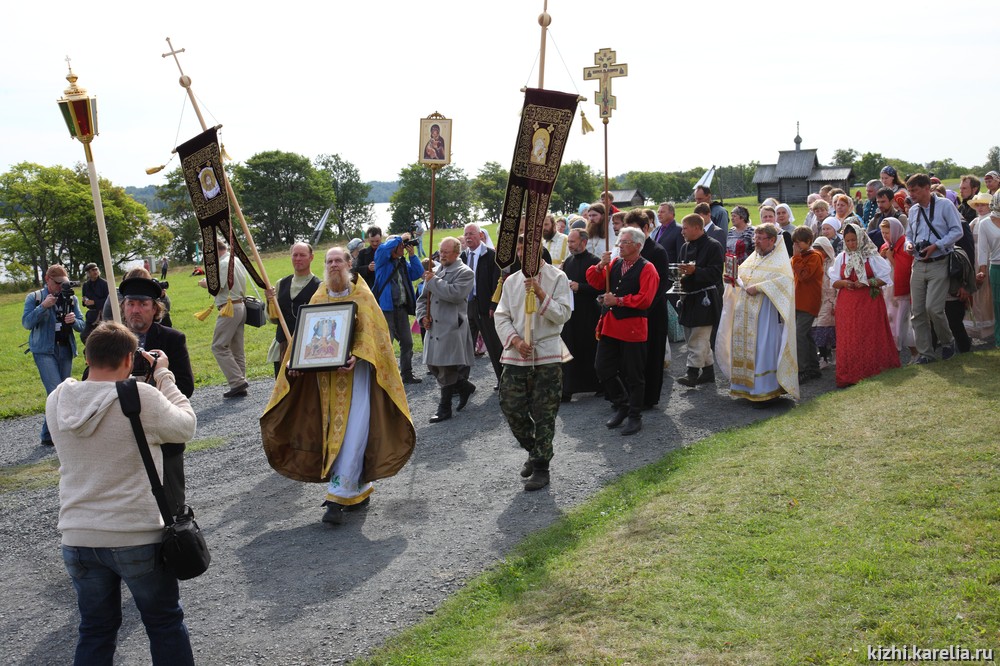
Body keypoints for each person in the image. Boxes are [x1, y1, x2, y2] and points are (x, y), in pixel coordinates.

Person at [48, 321, 197, 665]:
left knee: (95, 630)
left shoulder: (57, 399)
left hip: (78, 535)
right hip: (135, 532)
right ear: (130, 360)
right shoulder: (140, 396)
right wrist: (163, 376)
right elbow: (185, 425)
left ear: (86, 355)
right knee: (164, 624)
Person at [261, 247, 416, 524]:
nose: (333, 265)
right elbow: (306, 334)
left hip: (356, 376)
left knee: (354, 429)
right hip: (325, 379)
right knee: (331, 429)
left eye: (338, 261)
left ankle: (336, 496)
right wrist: (294, 363)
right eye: (329, 261)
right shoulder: (320, 294)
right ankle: (359, 488)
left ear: (349, 264)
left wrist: (356, 355)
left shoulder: (363, 295)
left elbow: (374, 335)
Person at [494, 235, 572, 491]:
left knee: (544, 412)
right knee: (511, 407)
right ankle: (535, 450)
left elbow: (563, 315)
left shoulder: (557, 278)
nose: (520, 253)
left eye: (525, 249)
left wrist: (540, 293)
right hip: (517, 354)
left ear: (537, 251)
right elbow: (502, 316)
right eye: (517, 249)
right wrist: (515, 340)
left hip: (547, 353)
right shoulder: (511, 281)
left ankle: (541, 468)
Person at [117, 276, 195, 515]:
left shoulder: (172, 339)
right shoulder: (112, 339)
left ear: (155, 308)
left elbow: (185, 385)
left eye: (142, 304)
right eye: (130, 304)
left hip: (164, 434)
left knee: (172, 506)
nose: (135, 310)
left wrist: (157, 377)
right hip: (123, 435)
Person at [586, 227, 660, 435]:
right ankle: (622, 404)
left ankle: (635, 415)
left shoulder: (648, 268)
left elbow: (645, 299)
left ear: (637, 245)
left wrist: (618, 300)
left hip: (633, 327)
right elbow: (595, 281)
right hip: (611, 325)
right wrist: (601, 265)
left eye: (625, 242)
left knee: (633, 374)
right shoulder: (615, 263)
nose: (620, 245)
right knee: (602, 367)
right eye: (620, 241)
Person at [716, 223, 799, 403]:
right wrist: (731, 280)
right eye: (755, 238)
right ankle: (744, 388)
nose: (757, 242)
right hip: (745, 314)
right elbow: (740, 278)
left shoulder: (780, 262)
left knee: (762, 349)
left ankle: (765, 392)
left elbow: (785, 282)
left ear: (772, 240)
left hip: (766, 317)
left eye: (761, 239)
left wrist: (761, 288)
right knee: (746, 348)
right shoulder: (753, 259)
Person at [22, 264, 86, 446]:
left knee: (62, 392)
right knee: (55, 392)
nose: (60, 287)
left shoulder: (71, 299)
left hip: (65, 348)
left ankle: (47, 435)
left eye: (63, 283)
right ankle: (59, 436)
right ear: (47, 280)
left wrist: (74, 321)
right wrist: (43, 307)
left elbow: (82, 326)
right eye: (57, 283)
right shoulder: (34, 298)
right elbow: (26, 323)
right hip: (44, 351)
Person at [829, 223, 900, 386]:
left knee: (867, 334)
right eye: (847, 241)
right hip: (847, 303)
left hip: (868, 302)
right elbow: (833, 281)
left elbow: (885, 278)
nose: (851, 244)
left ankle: (870, 370)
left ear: (860, 239)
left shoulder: (871, 256)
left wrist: (867, 282)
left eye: (854, 240)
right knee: (849, 336)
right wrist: (844, 283)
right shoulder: (842, 258)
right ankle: (849, 373)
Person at [905, 173, 964, 364]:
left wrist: (937, 245)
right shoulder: (913, 210)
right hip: (918, 263)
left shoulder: (945, 205)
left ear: (926, 188)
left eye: (914, 190)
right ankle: (926, 353)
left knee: (933, 308)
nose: (911, 194)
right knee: (918, 312)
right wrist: (909, 245)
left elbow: (957, 231)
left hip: (939, 261)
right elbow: (908, 235)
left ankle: (948, 342)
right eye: (909, 190)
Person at [417, 237, 476, 423]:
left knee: (445, 367)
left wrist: (434, 281)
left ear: (457, 253)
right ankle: (464, 386)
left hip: (451, 326)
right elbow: (422, 300)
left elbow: (455, 295)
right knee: (432, 364)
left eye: (446, 252)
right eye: (440, 251)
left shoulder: (464, 272)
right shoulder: (433, 272)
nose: (441, 255)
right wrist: (422, 317)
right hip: (434, 327)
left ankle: (444, 408)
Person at [626, 209, 671, 407]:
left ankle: (649, 397)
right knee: (632, 358)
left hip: (652, 312)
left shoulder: (657, 251)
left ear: (646, 228)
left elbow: (662, 285)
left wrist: (643, 306)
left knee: (652, 354)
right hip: (631, 312)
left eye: (635, 230)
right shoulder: (628, 252)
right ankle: (632, 395)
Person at [675, 214, 724, 387]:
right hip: (689, 298)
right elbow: (682, 272)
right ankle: (709, 372)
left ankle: (692, 373)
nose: (682, 232)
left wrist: (695, 271)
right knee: (694, 336)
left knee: (698, 337)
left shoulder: (713, 246)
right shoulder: (684, 247)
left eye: (685, 228)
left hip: (706, 299)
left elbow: (716, 274)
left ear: (697, 228)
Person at [198, 239, 249, 397]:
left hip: (228, 307)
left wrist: (204, 283)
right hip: (240, 304)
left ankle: (237, 381)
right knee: (236, 348)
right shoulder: (235, 260)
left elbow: (217, 286)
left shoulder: (223, 263)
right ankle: (240, 381)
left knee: (218, 346)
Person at [265, 242, 322, 377]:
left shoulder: (319, 287)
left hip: (308, 348)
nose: (298, 258)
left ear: (311, 257)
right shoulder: (280, 284)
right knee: (282, 392)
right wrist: (269, 301)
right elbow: (273, 319)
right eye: (295, 255)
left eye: (302, 255)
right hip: (282, 345)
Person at [373, 234, 424, 384]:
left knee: (407, 342)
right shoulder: (382, 261)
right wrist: (400, 238)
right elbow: (384, 248)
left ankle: (407, 373)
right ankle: (384, 375)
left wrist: (413, 256)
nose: (403, 247)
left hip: (401, 308)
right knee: (387, 342)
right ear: (393, 247)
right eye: (401, 246)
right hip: (386, 309)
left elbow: (417, 273)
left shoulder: (401, 263)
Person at [559, 228, 602, 400]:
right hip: (571, 314)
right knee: (571, 349)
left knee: (589, 349)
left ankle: (597, 384)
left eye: (572, 241)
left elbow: (600, 287)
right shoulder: (568, 261)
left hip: (589, 312)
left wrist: (581, 287)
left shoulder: (594, 261)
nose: (569, 245)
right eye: (568, 241)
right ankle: (569, 387)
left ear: (583, 242)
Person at [462, 223, 504, 389]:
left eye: (471, 234)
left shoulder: (491, 255)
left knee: (493, 345)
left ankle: (503, 380)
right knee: (465, 344)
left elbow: (497, 283)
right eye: (466, 234)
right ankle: (461, 382)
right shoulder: (463, 257)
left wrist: (494, 304)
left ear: (480, 235)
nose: (468, 237)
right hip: (467, 305)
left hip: (486, 306)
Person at [877, 217, 917, 357]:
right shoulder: (886, 246)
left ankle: (910, 352)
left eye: (887, 232)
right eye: (882, 233)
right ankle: (893, 353)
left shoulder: (904, 246)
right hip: (887, 291)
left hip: (900, 291)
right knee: (890, 321)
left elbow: (905, 270)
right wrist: (882, 257)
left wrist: (890, 257)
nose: (885, 236)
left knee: (902, 322)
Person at [790, 227, 825, 383]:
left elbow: (804, 276)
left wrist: (796, 258)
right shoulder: (802, 255)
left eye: (799, 243)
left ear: (809, 242)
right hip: (798, 301)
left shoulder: (815, 257)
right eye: (795, 243)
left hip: (808, 301)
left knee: (799, 335)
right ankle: (813, 367)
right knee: (806, 334)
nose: (796, 247)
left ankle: (803, 369)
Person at [968, 192, 996, 342]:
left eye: (983, 205)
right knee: (978, 292)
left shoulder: (992, 220)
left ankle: (988, 326)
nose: (980, 208)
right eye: (978, 205)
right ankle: (978, 327)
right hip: (975, 257)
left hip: (988, 257)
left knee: (987, 291)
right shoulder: (974, 221)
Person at [975, 193, 1000, 347]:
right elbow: (983, 251)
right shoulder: (985, 223)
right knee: (998, 305)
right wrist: (982, 271)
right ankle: (999, 340)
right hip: (997, 267)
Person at [811, 236, 838, 369]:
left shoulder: (834, 264)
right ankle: (823, 357)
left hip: (830, 300)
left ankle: (834, 353)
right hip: (818, 301)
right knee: (818, 329)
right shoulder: (815, 263)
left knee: (830, 328)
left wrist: (835, 303)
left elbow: (837, 285)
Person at [80, 262, 109, 343]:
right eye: (92, 270)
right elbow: (84, 298)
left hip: (103, 315)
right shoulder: (86, 285)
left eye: (96, 269)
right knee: (84, 336)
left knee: (102, 338)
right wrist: (85, 301)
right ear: (88, 273)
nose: (95, 271)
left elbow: (109, 300)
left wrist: (95, 302)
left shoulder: (104, 284)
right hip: (91, 315)